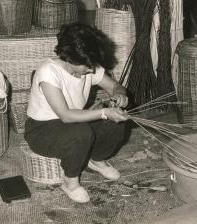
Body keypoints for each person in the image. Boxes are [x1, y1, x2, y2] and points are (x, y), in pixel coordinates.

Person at [24, 22, 130, 203]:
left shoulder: (87, 65)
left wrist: (119, 93)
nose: (91, 70)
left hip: (74, 122)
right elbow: (65, 115)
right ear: (71, 58)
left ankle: (96, 160)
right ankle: (70, 182)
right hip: (42, 129)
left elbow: (113, 85)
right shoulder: (49, 73)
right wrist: (104, 112)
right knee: (81, 133)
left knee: (117, 121)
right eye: (87, 66)